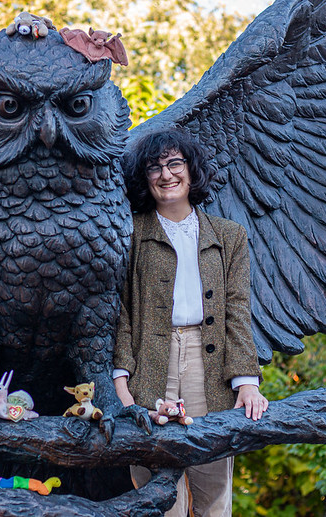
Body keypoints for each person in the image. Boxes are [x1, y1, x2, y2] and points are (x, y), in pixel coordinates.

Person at [113, 128, 268, 517]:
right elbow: (120, 312)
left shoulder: (230, 236)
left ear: (191, 170)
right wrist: (121, 387)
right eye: (154, 167)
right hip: (149, 369)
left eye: (174, 163)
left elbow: (237, 310)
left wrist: (247, 383)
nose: (166, 174)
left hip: (209, 369)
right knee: (160, 499)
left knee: (214, 492)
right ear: (144, 178)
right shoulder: (128, 234)